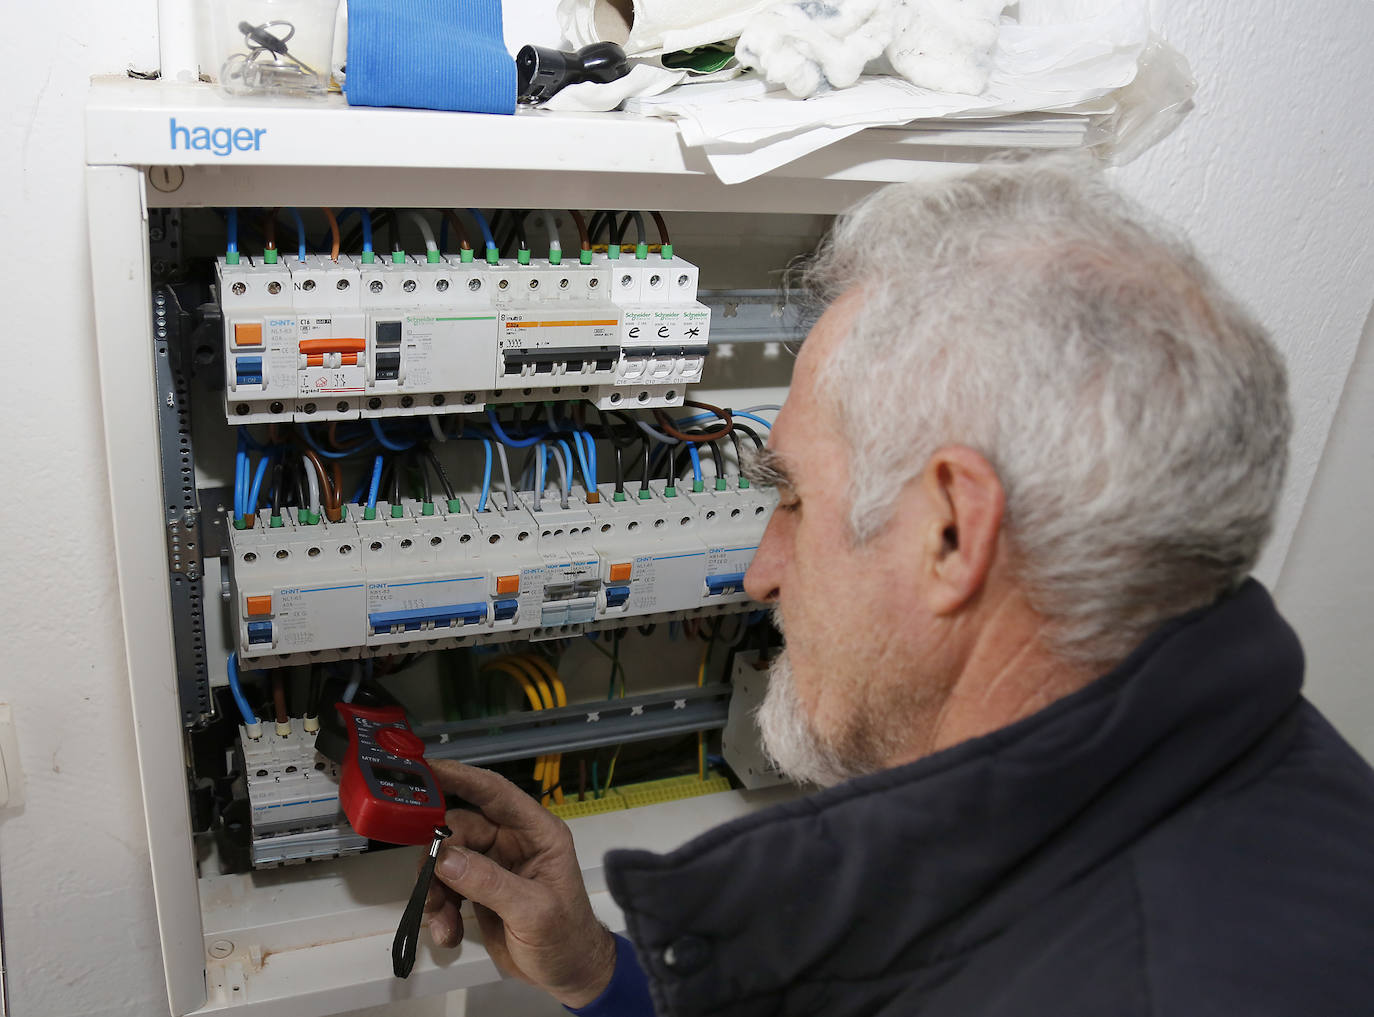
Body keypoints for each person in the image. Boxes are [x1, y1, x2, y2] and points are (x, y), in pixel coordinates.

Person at [420, 158, 1374, 1017]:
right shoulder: (1268, 809)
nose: (761, 571)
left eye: (793, 498)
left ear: (952, 531)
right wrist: (599, 974)